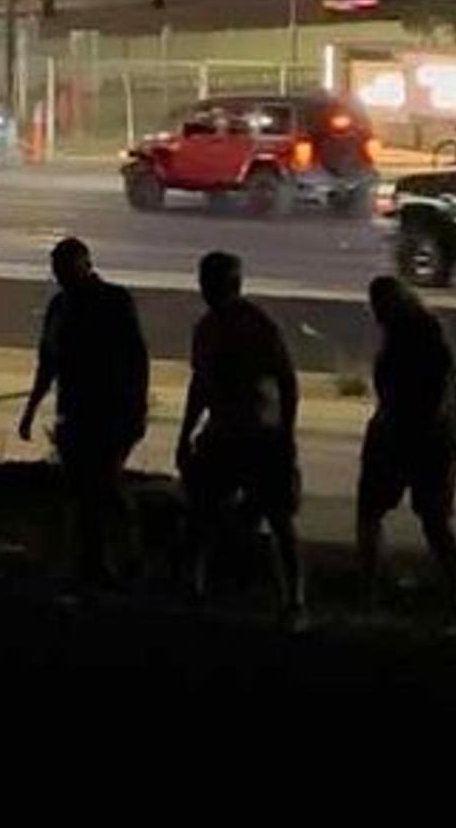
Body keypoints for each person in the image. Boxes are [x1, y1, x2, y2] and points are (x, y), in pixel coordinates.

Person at [177, 251, 307, 629]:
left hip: (257, 433)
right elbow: (200, 385)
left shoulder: (250, 324)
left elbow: (285, 380)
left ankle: (292, 599)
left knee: (274, 519)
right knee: (205, 512)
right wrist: (186, 434)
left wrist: (285, 432)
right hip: (231, 431)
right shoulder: (212, 327)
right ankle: (199, 587)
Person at [19, 237, 150, 591]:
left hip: (110, 411)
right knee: (84, 490)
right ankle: (95, 563)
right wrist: (31, 409)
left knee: (102, 486)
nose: (60, 277)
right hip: (76, 412)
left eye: (64, 269)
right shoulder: (60, 307)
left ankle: (124, 557)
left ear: (84, 266)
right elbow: (48, 362)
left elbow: (136, 360)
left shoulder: (113, 302)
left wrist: (136, 409)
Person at [358, 277, 456, 635]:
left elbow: (433, 398)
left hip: (419, 439)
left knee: (425, 520)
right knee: (419, 519)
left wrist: (396, 427)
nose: (376, 314)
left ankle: (454, 607)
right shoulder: (418, 332)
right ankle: (381, 593)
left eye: (380, 306)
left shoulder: (421, 338)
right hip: (419, 437)